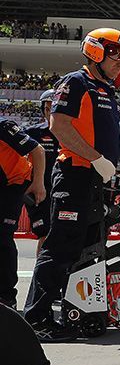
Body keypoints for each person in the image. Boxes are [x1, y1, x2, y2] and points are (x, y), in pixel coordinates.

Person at [24, 28, 120, 342]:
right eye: (116, 54)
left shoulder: (106, 89)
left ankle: (80, 313)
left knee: (86, 248)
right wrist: (97, 158)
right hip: (74, 176)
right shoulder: (77, 82)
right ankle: (36, 319)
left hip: (94, 180)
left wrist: (116, 165)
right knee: (60, 249)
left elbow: (97, 135)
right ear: (96, 51)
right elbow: (59, 126)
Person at [0, 120, 46, 309]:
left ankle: (6, 296)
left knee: (2, 238)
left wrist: (38, 183)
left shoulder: (4, 127)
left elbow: (38, 150)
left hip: (13, 186)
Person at [21, 89, 60, 255]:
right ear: (43, 109)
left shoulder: (73, 134)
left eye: (55, 106)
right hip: (39, 194)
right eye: (48, 106)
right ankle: (41, 277)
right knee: (45, 233)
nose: (51, 110)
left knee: (64, 234)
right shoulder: (32, 133)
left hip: (64, 192)